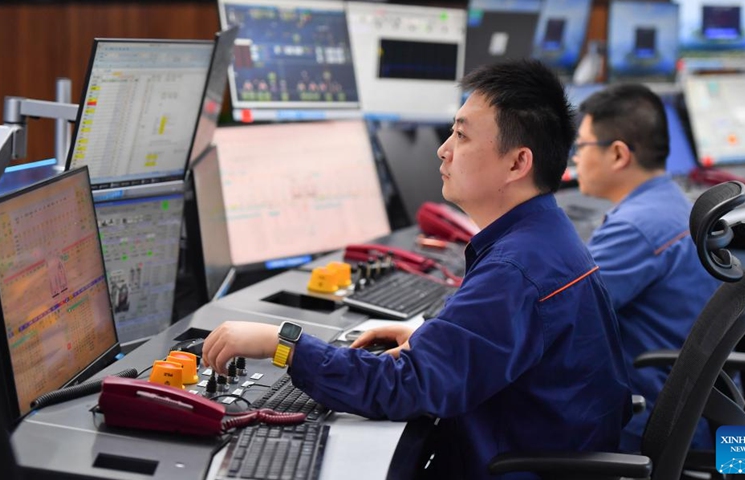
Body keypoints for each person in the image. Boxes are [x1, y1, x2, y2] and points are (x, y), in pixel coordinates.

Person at [203, 60, 632, 479]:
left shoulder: (514, 270)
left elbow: (405, 388)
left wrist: (284, 345)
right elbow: (499, 345)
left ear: (518, 163)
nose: (443, 149)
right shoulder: (545, 236)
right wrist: (435, 340)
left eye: (461, 136)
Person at [572, 83, 720, 452]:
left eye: (581, 146)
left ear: (618, 154)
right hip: (702, 415)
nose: (574, 158)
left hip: (647, 421)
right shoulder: (672, 203)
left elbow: (558, 317)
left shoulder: (636, 229)